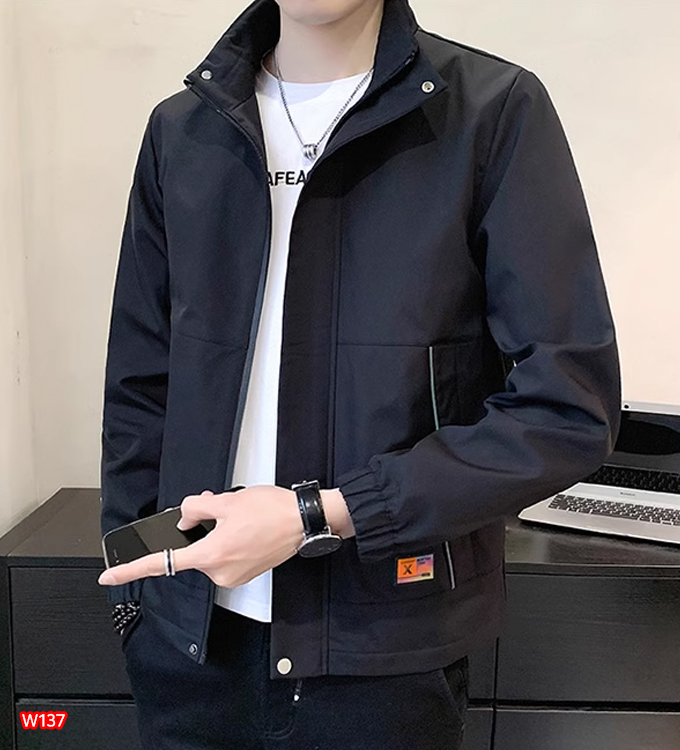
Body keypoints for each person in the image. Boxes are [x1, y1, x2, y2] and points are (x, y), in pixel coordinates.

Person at [98, 0, 621, 747]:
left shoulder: (490, 112)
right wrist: (137, 602)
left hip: (386, 657)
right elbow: (139, 386)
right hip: (189, 651)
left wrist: (322, 513)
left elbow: (567, 409)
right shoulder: (181, 129)